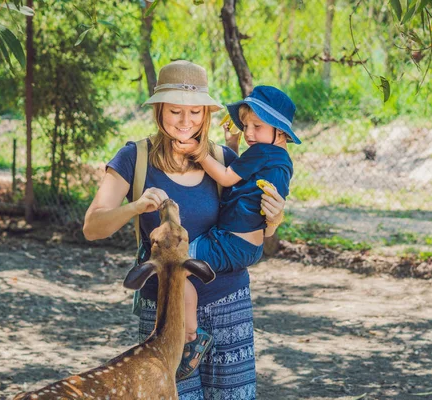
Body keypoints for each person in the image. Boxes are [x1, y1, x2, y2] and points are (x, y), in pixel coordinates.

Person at [83, 60, 285, 400]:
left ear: (206, 114)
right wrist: (136, 205)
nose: (185, 122)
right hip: (164, 314)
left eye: (195, 112)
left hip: (228, 302)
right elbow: (92, 227)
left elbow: (254, 233)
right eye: (175, 111)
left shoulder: (223, 158)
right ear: (159, 110)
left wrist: (274, 220)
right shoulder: (135, 158)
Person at [175, 86, 300, 363]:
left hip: (230, 242)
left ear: (280, 131)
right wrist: (231, 144)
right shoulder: (278, 159)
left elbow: (227, 178)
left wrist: (198, 151)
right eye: (245, 126)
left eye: (258, 125)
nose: (249, 133)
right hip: (248, 245)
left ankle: (192, 337)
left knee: (174, 266)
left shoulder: (264, 153)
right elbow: (243, 179)